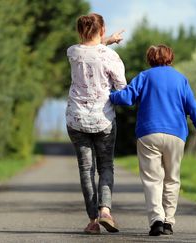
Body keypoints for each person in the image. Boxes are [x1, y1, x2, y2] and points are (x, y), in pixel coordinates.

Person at [110, 44, 196, 236]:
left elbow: (127, 98)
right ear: (170, 58)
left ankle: (156, 219)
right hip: (176, 134)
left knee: (152, 179)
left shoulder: (145, 76)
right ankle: (169, 222)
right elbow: (193, 108)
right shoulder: (181, 79)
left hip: (149, 133)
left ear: (150, 59)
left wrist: (109, 96)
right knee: (172, 179)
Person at [65, 13, 126, 234]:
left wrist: (107, 39)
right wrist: (109, 42)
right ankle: (105, 211)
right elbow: (121, 87)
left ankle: (92, 221)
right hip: (104, 120)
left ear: (79, 31)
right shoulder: (110, 57)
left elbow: (89, 47)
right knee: (106, 166)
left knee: (86, 170)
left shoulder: (72, 52)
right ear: (102, 30)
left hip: (76, 119)